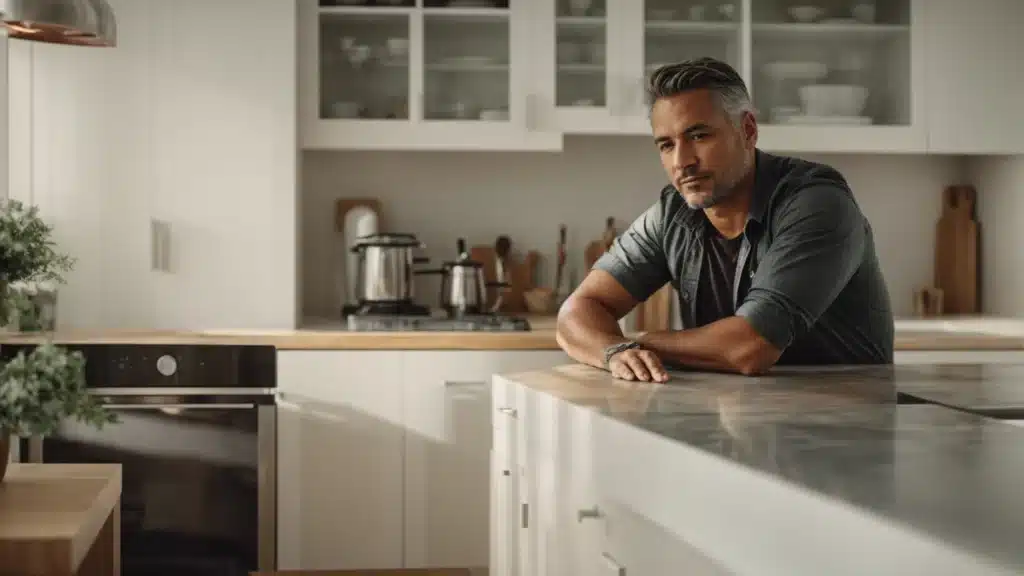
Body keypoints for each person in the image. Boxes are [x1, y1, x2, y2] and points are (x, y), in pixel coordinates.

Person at [555, 57, 894, 381]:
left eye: (699, 136)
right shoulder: (670, 215)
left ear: (747, 130)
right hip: (739, 421)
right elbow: (577, 312)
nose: (682, 161)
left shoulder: (816, 203)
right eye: (666, 145)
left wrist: (639, 343)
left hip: (844, 425)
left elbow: (750, 346)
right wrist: (615, 351)